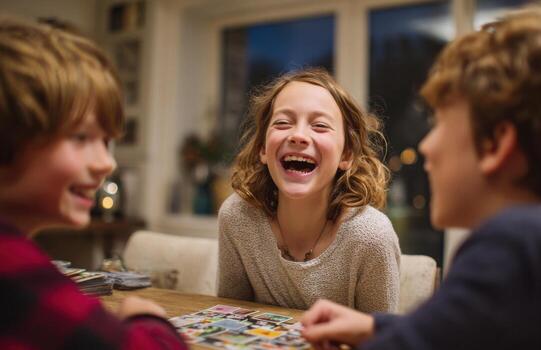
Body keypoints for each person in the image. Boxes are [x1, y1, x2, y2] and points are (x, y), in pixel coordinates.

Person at [301, 7, 541, 350]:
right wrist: (377, 326)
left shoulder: (510, 246)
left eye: (439, 124)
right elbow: (459, 332)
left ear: (496, 143)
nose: (426, 147)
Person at [0, 17, 186, 349]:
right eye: (81, 136)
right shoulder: (13, 269)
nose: (106, 163)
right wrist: (148, 318)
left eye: (106, 141)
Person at [217, 68, 400, 313]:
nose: (299, 135)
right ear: (262, 148)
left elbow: (382, 340)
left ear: (346, 154)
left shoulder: (371, 237)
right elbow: (227, 318)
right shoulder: (237, 217)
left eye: (320, 125)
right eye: (283, 122)